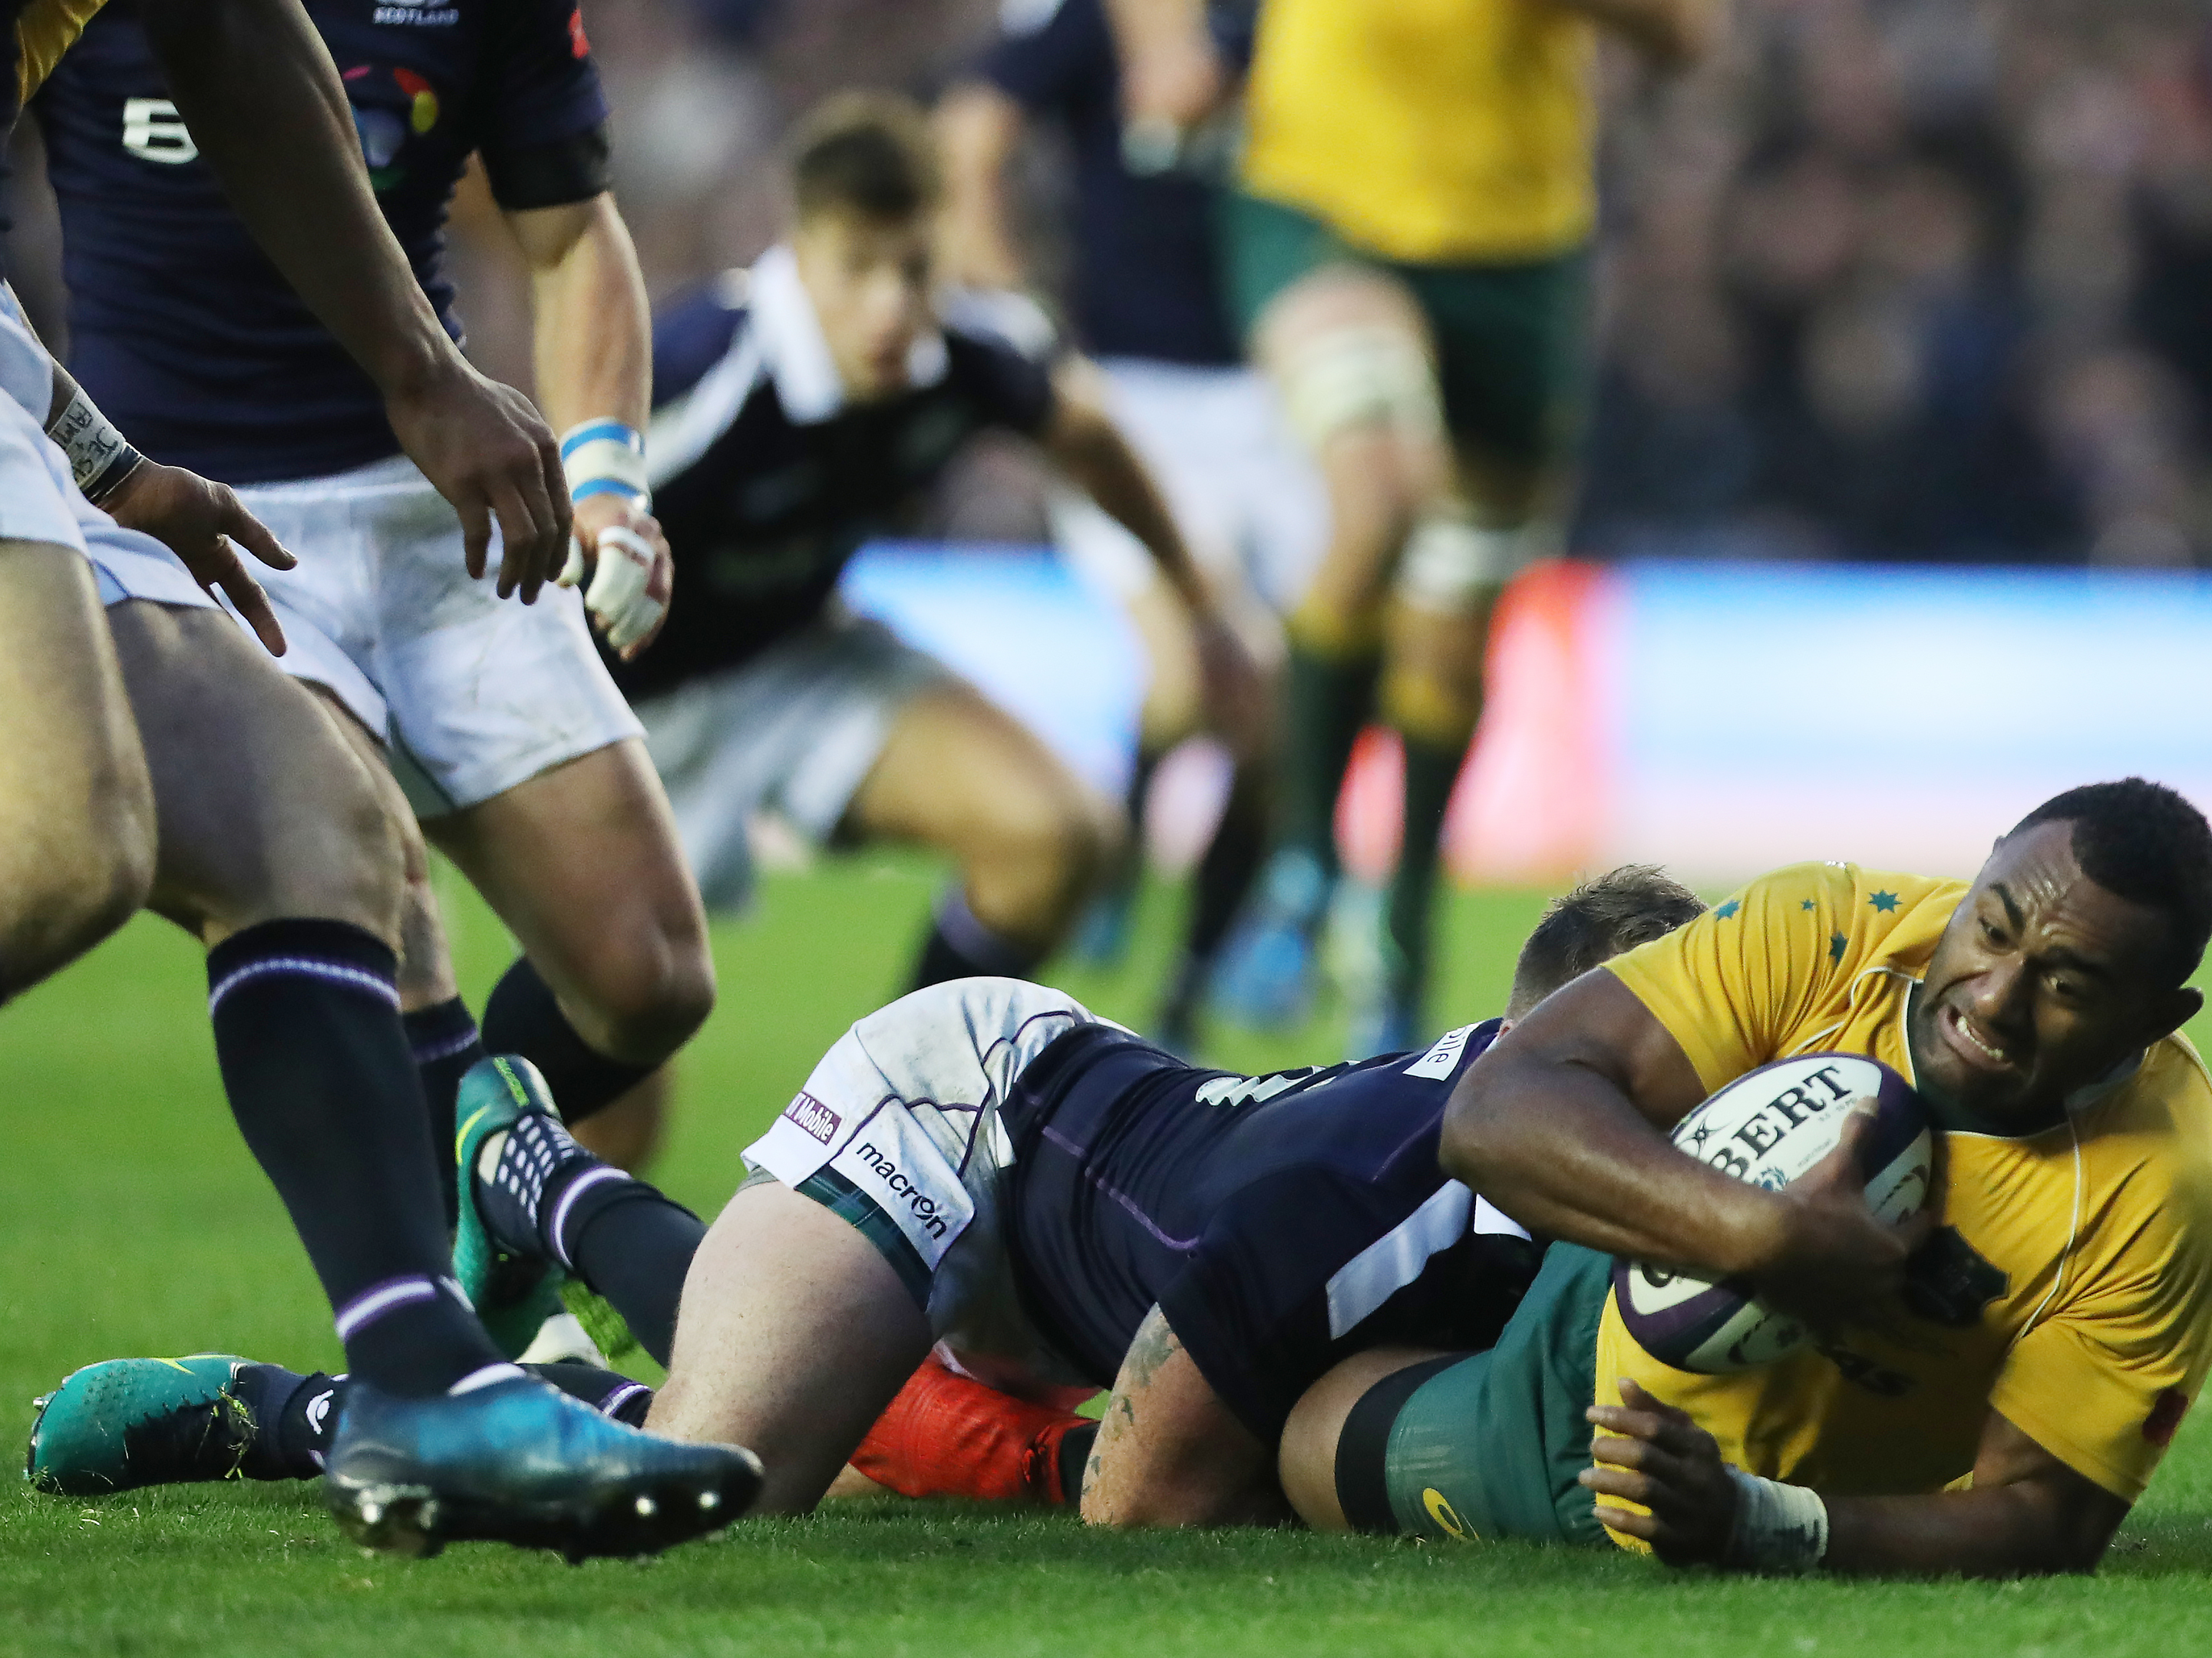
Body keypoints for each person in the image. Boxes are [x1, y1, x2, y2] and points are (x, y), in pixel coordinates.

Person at [0, 0, 755, 1557]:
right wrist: (422, 372)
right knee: (47, 844)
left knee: (309, 824)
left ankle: (421, 1382)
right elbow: (230, 32)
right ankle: (483, 1253)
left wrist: (97, 459)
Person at [25, 866, 1708, 1524]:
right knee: (720, 1480)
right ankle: (320, 1390)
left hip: (1098, 1270)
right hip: (963, 1114)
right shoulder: (1368, 1187)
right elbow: (1144, 1512)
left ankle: (547, 1212)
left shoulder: (1535, 1159)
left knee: (916, 1441)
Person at [33, 0, 712, 1191]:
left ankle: (475, 1227)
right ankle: (456, 1322)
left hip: (441, 495)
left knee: (645, 977)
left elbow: (567, 234)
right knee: (371, 893)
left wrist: (608, 482)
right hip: (192, 521)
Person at [1283, 780, 2212, 1577]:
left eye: (2066, 985)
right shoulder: (1829, 931)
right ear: (1983, 869)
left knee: (1312, 1448)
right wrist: (1766, 1239)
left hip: (1732, 1489)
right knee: (1296, 1447)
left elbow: (2047, 1519)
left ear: (2158, 1016)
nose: (1995, 999)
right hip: (1591, 1332)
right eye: (1989, 929)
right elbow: (1494, 1111)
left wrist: (1759, 1524)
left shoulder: (2160, 1197)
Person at [1111, 0, 1716, 1054]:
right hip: (1318, 210)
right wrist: (1162, 44)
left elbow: (1686, 35)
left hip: (1518, 254)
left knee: (1450, 639)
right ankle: (1302, 871)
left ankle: (1399, 940)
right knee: (1380, 494)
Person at [619, 91, 1263, 992]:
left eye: (913, 270)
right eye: (857, 269)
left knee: (1059, 836)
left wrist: (1203, 607)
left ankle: (896, 1105)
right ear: (798, 253)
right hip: (625, 720)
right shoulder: (700, 374)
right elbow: (539, 532)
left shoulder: (970, 353)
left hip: (798, 660)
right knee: (619, 1083)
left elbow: (1094, 437)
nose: (889, 308)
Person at [934, 0, 1322, 1051]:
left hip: (1280, 400)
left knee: (1272, 719)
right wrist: (1012, 309)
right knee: (1190, 683)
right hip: (1133, 408)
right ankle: (1122, 853)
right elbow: (970, 136)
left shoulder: (1305, 27)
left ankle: (1185, 997)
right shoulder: (1099, 21)